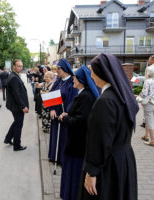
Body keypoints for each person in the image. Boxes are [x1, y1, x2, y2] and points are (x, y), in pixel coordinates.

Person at [79, 53, 138, 200]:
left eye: (93, 71)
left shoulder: (105, 101)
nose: (91, 75)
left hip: (108, 165)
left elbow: (100, 140)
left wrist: (92, 172)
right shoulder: (123, 95)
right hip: (123, 158)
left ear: (101, 73)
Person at [58, 65, 99, 200]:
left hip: (78, 145)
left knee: (74, 174)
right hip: (75, 143)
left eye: (75, 77)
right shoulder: (82, 94)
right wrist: (68, 114)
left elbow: (81, 121)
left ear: (81, 79)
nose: (73, 79)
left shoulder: (86, 96)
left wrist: (65, 118)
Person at [48, 59, 78, 164]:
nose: (57, 72)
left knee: (63, 137)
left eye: (58, 69)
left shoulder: (72, 82)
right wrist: (51, 109)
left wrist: (66, 113)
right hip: (55, 114)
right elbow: (51, 96)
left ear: (64, 69)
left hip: (64, 115)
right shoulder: (58, 82)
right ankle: (53, 156)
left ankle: (61, 158)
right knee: (55, 135)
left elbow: (73, 100)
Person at [4, 59, 29, 151]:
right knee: (19, 125)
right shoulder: (14, 77)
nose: (20, 68)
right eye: (18, 66)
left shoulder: (14, 75)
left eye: (21, 66)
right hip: (17, 106)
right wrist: (23, 106)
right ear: (14, 66)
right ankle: (17, 145)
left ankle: (8, 138)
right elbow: (16, 94)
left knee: (16, 122)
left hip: (15, 105)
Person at [140, 68, 154, 146]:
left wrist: (140, 97)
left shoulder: (147, 81)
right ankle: (146, 135)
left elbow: (144, 93)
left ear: (149, 74)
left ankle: (152, 141)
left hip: (150, 103)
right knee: (148, 118)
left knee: (150, 121)